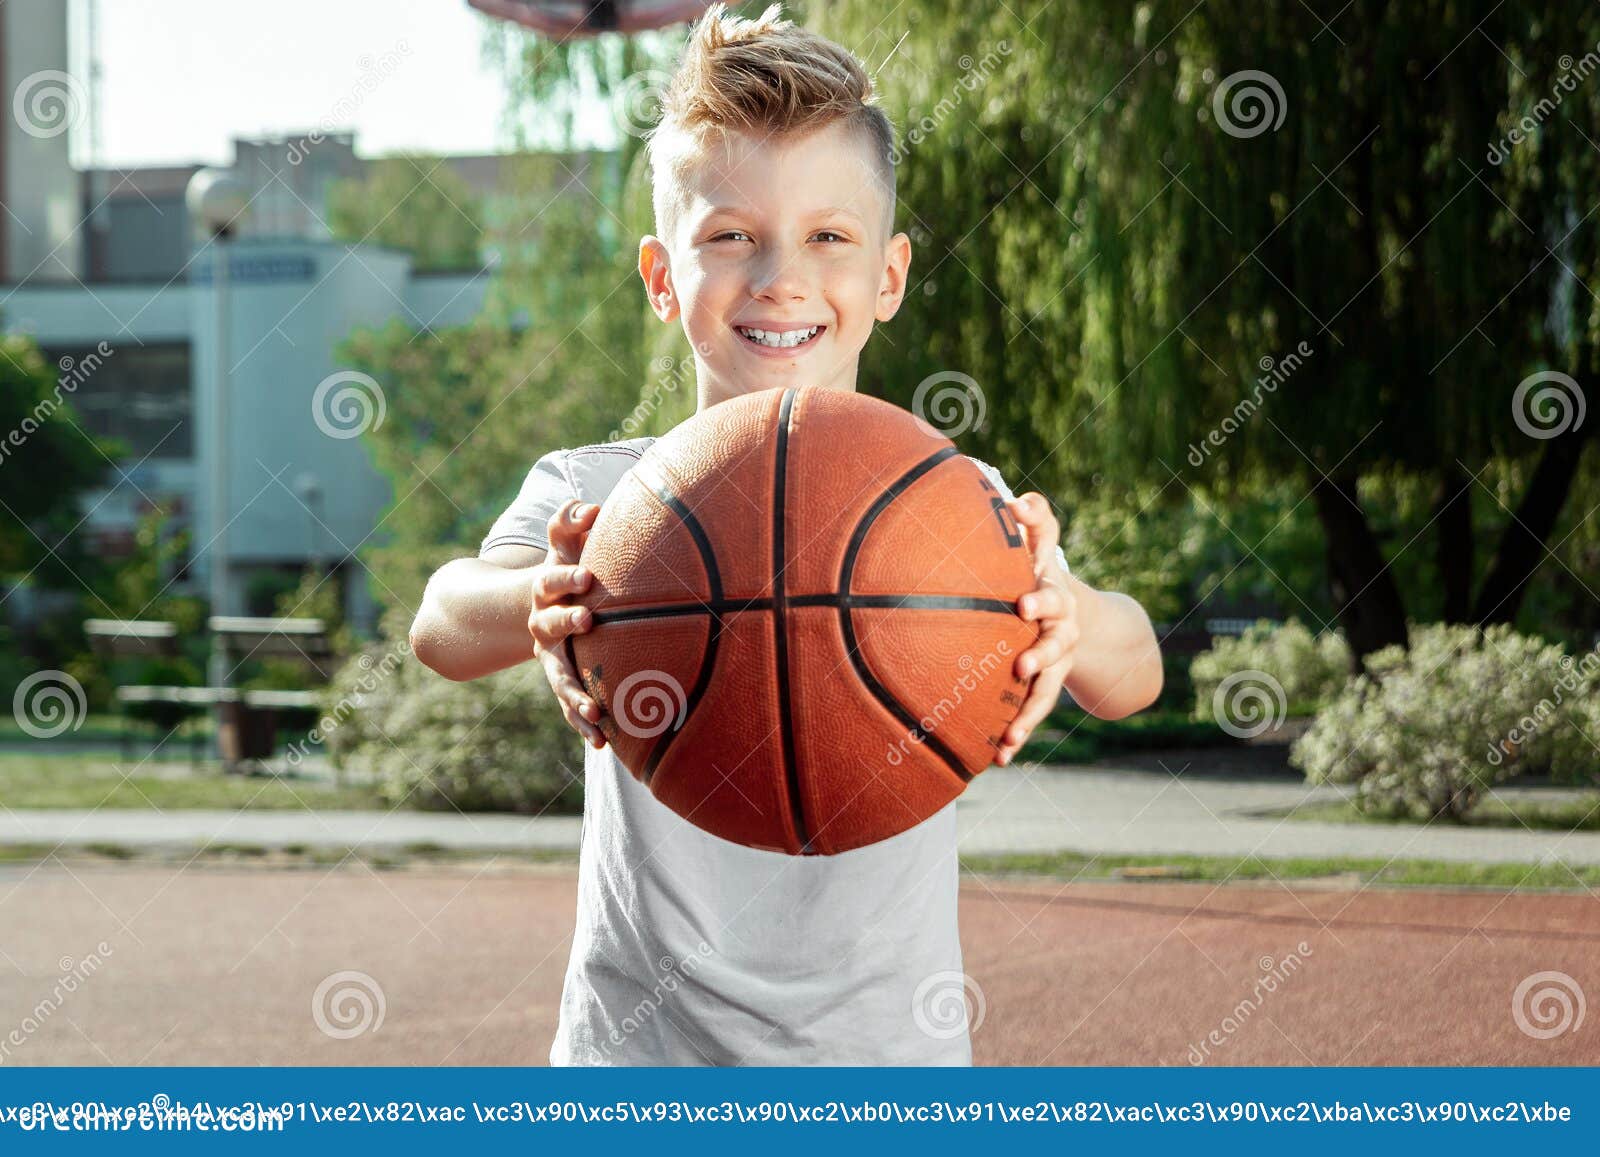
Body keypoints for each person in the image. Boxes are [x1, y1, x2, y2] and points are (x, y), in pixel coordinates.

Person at [409, 2, 1163, 1066]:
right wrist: (541, 602)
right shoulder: (602, 503)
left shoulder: (956, 506)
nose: (779, 277)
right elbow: (440, 623)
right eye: (729, 237)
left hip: (886, 1067)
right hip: (637, 1065)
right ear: (663, 279)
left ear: (887, 275)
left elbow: (1129, 672)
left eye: (828, 236)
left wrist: (1066, 612)